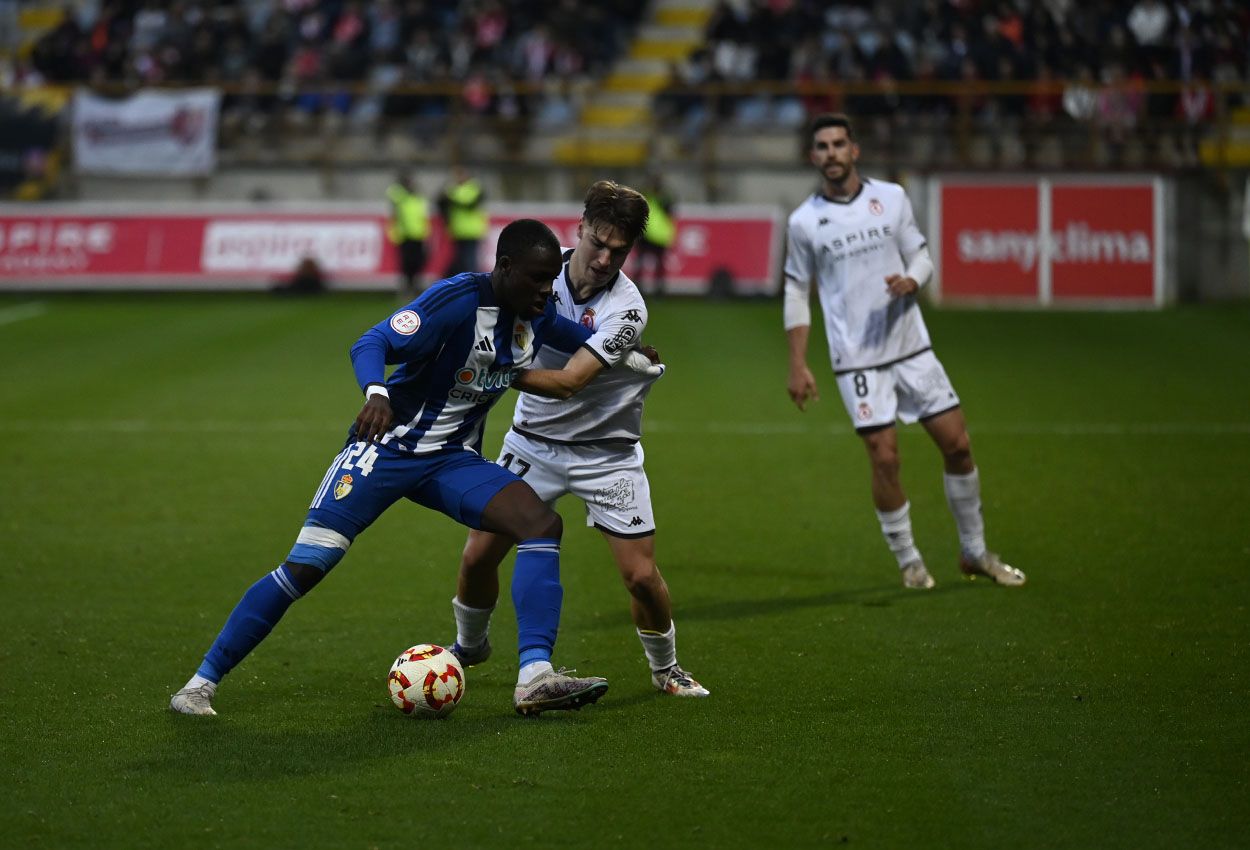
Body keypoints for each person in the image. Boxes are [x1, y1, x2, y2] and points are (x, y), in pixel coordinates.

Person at [170, 219, 662, 718]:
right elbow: (371, 342)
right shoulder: (455, 300)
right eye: (537, 279)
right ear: (505, 267)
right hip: (386, 449)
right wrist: (376, 393)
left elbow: (582, 336)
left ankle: (535, 676)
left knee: (539, 524)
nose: (546, 290)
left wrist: (632, 353)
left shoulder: (534, 312)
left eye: (548, 280)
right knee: (307, 567)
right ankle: (200, 682)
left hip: (450, 459)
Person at [447, 180, 708, 698]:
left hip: (606, 455)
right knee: (478, 556)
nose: (605, 259)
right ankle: (468, 647)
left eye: (620, 250)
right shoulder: (537, 271)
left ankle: (665, 668)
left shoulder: (628, 310)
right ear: (581, 227)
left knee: (640, 576)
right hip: (532, 443)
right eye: (599, 243)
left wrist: (491, 371)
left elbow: (569, 382)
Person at [783, 113, 1025, 590]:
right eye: (822, 146)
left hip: (912, 347)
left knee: (957, 444)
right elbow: (796, 290)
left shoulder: (890, 198)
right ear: (814, 157)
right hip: (857, 359)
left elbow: (921, 253)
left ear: (855, 150)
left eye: (838, 144)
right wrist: (797, 363)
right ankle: (909, 560)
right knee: (885, 458)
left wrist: (915, 278)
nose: (831, 153)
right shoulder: (805, 222)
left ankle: (974, 551)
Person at [386, 169, 430, 298]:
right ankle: (407, 286)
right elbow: (393, 196)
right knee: (406, 262)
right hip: (404, 234)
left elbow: (423, 215)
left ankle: (414, 285)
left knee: (418, 261)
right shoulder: (399, 195)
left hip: (418, 234)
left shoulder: (417, 198)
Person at [438, 166, 488, 277]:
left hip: (471, 231)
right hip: (458, 230)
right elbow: (441, 203)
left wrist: (450, 196)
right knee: (462, 259)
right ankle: (465, 282)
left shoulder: (473, 188)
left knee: (469, 260)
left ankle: (471, 282)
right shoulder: (460, 189)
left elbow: (468, 203)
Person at [633, 173, 676, 297]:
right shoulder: (663, 198)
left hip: (650, 234)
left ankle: (653, 290)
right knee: (650, 264)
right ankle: (654, 291)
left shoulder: (649, 197)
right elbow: (671, 216)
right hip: (651, 235)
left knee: (649, 264)